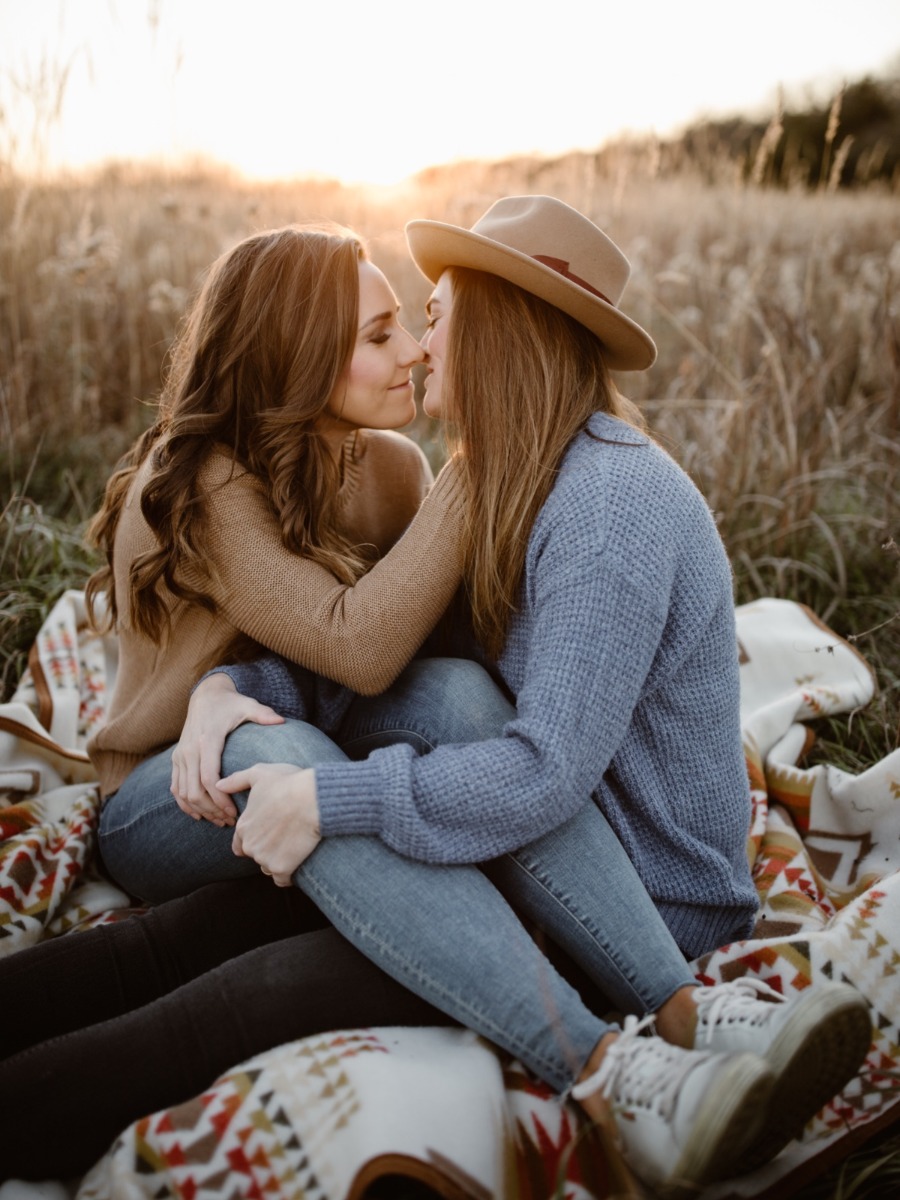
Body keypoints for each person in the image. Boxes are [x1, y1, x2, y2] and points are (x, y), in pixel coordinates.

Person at [0, 209, 869, 1194]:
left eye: (434, 317)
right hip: (499, 850)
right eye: (394, 327)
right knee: (225, 910)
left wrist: (332, 798)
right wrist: (232, 689)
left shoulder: (601, 507)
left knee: (259, 971)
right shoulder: (507, 479)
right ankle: (647, 1047)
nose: (420, 345)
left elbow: (530, 760)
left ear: (502, 333)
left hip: (616, 897)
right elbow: (396, 674)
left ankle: (636, 1053)